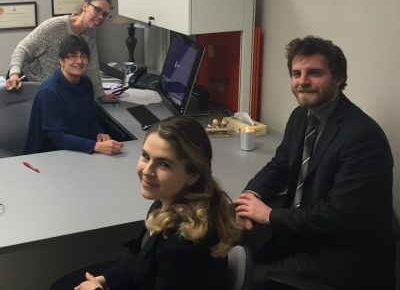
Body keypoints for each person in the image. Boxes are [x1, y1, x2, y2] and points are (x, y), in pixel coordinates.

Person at [234, 36, 395, 290]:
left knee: (238, 278)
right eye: (296, 73)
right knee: (226, 259)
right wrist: (249, 197)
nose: (303, 81)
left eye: (315, 73)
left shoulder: (362, 137)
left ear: (339, 78)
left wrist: (270, 215)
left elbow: (337, 215)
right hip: (300, 235)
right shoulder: (301, 117)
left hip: (339, 255)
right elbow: (280, 165)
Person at [50, 116, 239, 290]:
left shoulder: (182, 246)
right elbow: (143, 259)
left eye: (164, 164)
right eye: (146, 156)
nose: (147, 170)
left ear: (193, 175)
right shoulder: (166, 202)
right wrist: (109, 280)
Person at [5, 0, 117, 103]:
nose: (100, 17)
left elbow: (92, 65)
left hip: (58, 89)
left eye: (105, 14)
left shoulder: (90, 32)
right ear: (85, 6)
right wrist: (14, 75)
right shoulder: (55, 26)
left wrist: (100, 94)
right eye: (97, 10)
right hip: (31, 84)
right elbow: (23, 49)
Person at [24, 35, 123, 155]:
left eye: (84, 56)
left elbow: (90, 121)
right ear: (61, 60)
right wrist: (95, 146)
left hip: (76, 150)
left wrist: (99, 134)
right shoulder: (48, 92)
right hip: (48, 156)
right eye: (73, 56)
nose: (79, 61)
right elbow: (57, 137)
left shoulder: (85, 82)